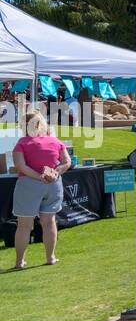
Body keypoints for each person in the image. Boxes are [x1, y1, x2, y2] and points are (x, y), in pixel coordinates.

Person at [11, 111, 71, 269]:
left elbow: (20, 166)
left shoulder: (22, 143)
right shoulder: (56, 141)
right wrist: (54, 173)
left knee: (24, 225)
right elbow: (67, 162)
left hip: (29, 185)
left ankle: (19, 262)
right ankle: (50, 257)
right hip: (53, 185)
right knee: (49, 222)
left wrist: (39, 177)